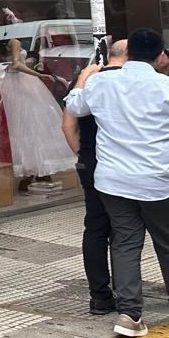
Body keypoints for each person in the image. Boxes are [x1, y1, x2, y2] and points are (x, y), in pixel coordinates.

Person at [65, 28, 169, 338]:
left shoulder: (102, 83)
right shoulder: (164, 86)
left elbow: (75, 107)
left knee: (124, 243)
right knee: (165, 242)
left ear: (129, 53)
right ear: (160, 56)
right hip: (156, 179)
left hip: (112, 180)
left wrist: (84, 78)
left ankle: (129, 314)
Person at [61, 39, 127, 315]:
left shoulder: (85, 82)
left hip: (93, 162)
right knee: (127, 231)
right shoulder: (135, 82)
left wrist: (84, 154)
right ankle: (127, 294)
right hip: (131, 165)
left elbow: (68, 126)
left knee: (97, 228)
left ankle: (100, 295)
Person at [0, 38, 75, 192]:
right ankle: (35, 170)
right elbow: (17, 64)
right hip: (22, 83)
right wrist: (39, 74)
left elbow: (3, 60)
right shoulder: (14, 41)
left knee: (24, 126)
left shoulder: (2, 43)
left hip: (13, 83)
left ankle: (34, 170)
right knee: (33, 124)